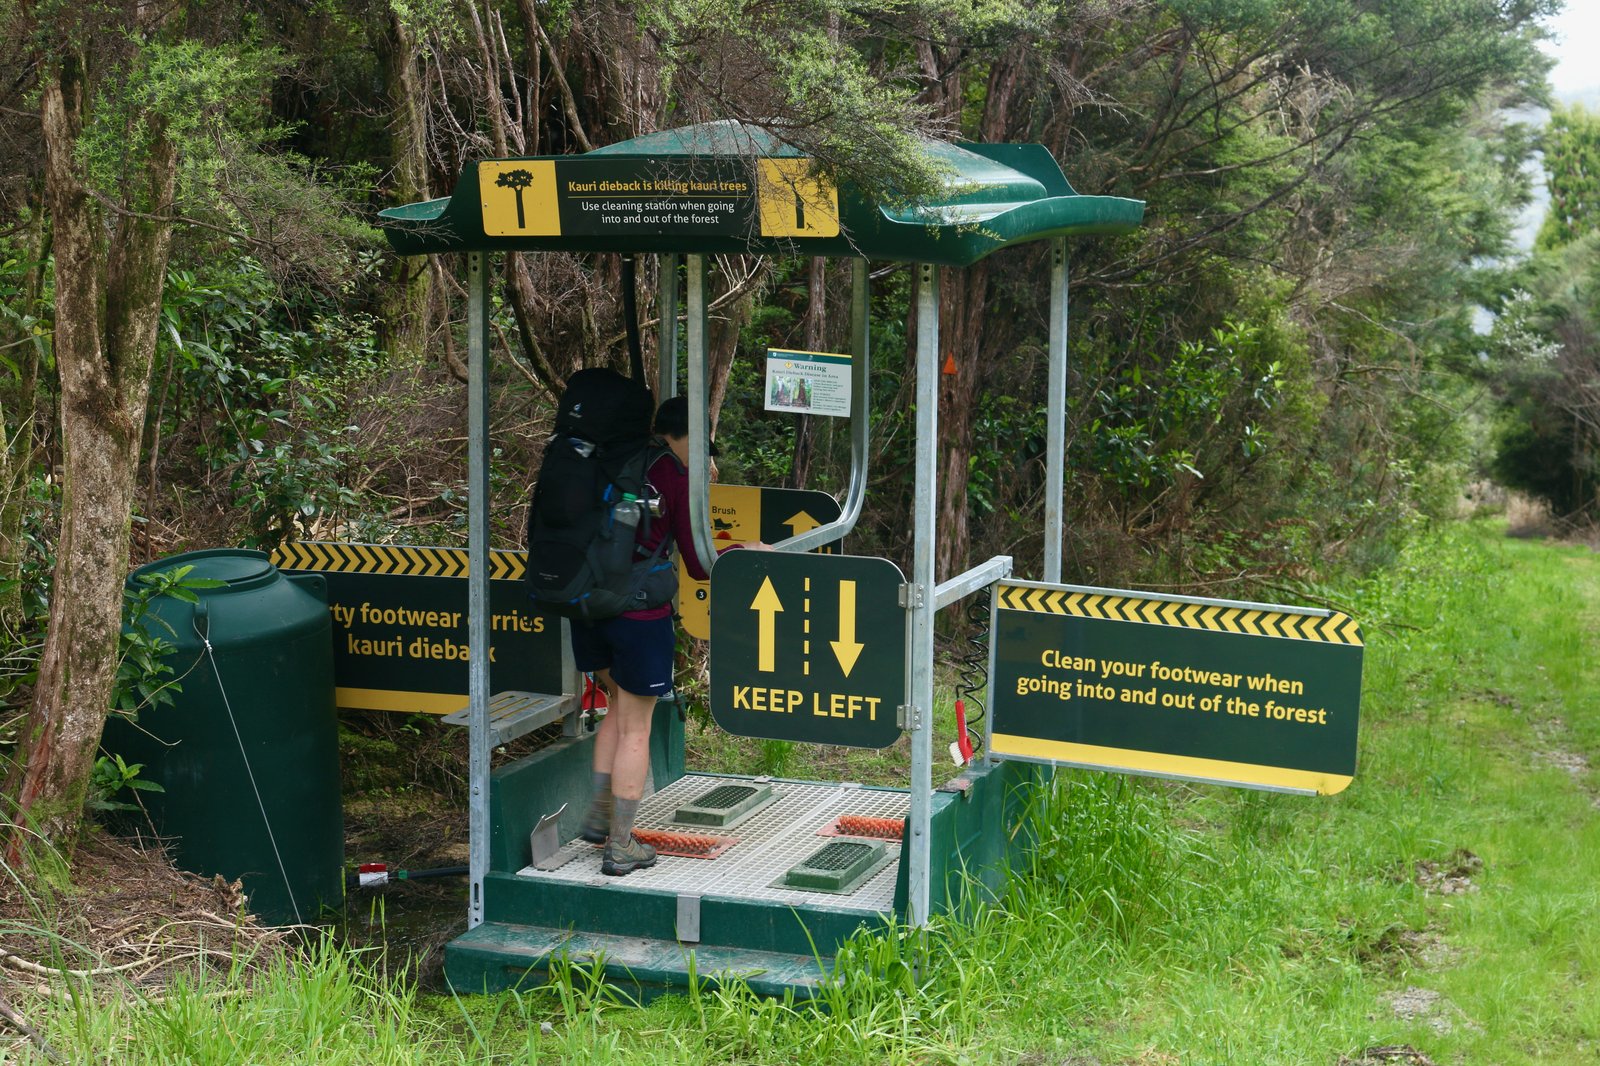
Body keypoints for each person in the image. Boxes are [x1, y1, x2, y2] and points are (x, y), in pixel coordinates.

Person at [571, 395, 714, 875]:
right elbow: (698, 563)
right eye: (705, 443)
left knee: (618, 705)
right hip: (637, 613)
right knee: (637, 725)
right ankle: (620, 845)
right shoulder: (673, 474)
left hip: (588, 605)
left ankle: (599, 813)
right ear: (688, 435)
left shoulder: (613, 456)